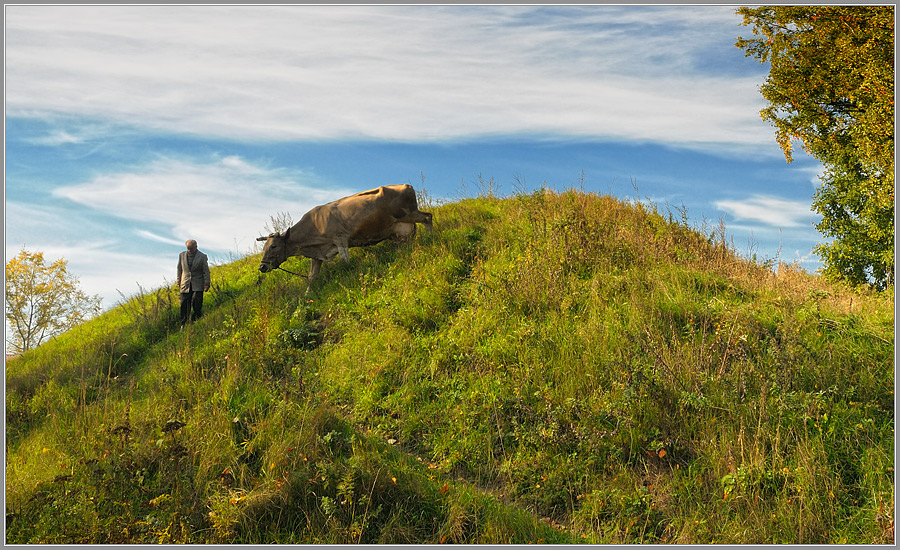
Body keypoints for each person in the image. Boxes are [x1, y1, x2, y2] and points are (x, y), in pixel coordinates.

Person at [177, 239, 211, 327]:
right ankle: (183, 323)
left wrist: (207, 283)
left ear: (196, 247)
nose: (189, 250)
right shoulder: (182, 255)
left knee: (197, 302)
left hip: (198, 283)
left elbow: (206, 271)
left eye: (191, 248)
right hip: (185, 283)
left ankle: (196, 321)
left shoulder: (202, 256)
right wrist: (179, 281)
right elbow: (179, 269)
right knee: (184, 303)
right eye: (188, 248)